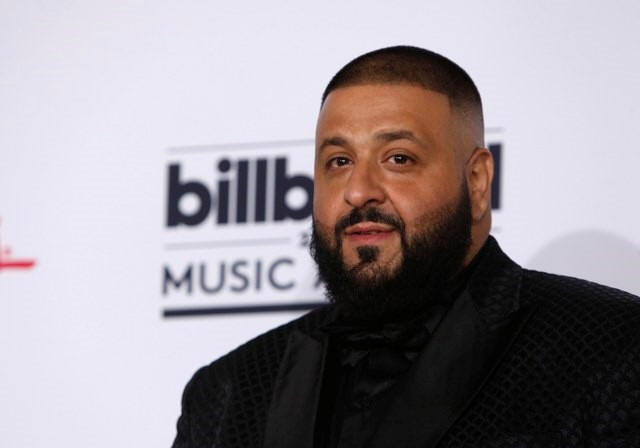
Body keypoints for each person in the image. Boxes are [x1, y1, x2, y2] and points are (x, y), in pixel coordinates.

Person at [172, 46, 640, 448]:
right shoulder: (228, 392)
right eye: (339, 161)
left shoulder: (611, 348)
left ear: (477, 182)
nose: (359, 191)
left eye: (398, 158)